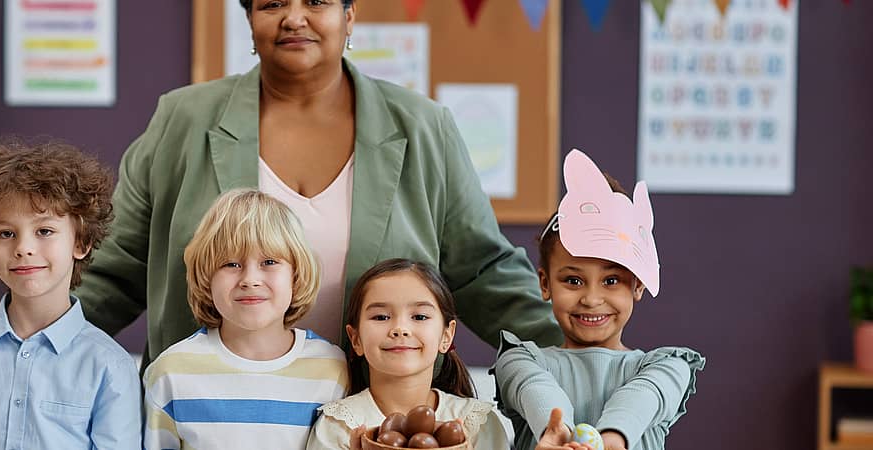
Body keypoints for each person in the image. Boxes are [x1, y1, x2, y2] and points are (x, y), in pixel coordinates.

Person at [75, 0, 560, 370]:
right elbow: (115, 272)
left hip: (376, 420)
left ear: (350, 17)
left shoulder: (423, 127)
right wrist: (29, 347)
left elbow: (483, 274)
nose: (294, 18)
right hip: (212, 417)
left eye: (317, 1)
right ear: (248, 20)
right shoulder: (182, 119)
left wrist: (584, 356)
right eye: (272, 4)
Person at [0, 138, 141, 450]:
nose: (23, 248)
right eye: (6, 234)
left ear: (80, 243)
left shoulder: (110, 366)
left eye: (44, 231)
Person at [493, 150, 705, 450]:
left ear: (638, 284)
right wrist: (560, 434)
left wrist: (610, 441)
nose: (592, 299)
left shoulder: (668, 367)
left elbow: (642, 397)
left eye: (611, 281)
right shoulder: (519, 360)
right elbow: (536, 391)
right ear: (544, 283)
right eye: (573, 280)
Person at [142, 189, 346, 449]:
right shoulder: (170, 373)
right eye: (231, 264)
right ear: (207, 276)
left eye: (269, 261)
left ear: (296, 274)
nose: (250, 280)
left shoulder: (332, 369)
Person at [307, 258, 514, 450]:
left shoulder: (476, 423)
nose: (400, 328)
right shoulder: (339, 425)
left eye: (420, 316)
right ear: (356, 339)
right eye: (381, 317)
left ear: (446, 336)